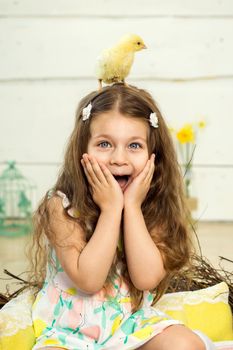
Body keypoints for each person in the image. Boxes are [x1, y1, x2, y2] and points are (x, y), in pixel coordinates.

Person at [31, 83, 215, 349]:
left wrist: (132, 208)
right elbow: (89, 279)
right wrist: (111, 209)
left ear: (154, 157)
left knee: (186, 344)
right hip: (69, 333)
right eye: (104, 144)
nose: (119, 158)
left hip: (132, 325)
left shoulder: (152, 208)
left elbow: (146, 278)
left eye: (134, 145)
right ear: (82, 149)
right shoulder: (61, 206)